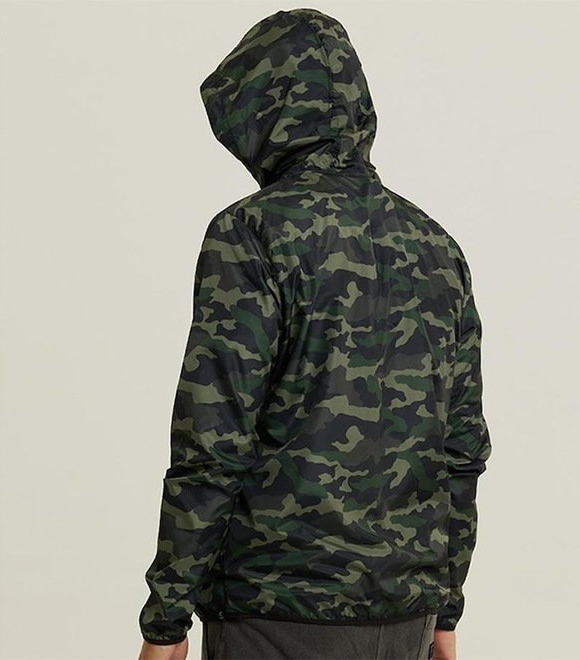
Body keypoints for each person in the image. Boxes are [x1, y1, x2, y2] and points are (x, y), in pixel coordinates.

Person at [137, 7, 492, 660]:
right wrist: (445, 609)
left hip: (275, 609)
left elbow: (212, 442)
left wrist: (166, 620)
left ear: (263, 110)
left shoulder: (251, 233)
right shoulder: (437, 246)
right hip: (405, 611)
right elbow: (461, 449)